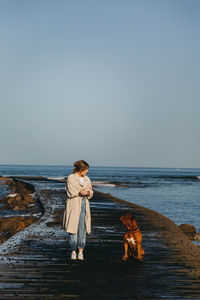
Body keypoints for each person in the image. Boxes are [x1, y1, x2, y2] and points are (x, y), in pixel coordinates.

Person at [63, 160, 93, 260]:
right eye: (86, 169)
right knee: (72, 228)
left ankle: (81, 251)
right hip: (74, 204)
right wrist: (82, 192)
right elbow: (71, 192)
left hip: (84, 204)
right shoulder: (71, 178)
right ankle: (73, 251)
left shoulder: (87, 179)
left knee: (82, 228)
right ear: (81, 170)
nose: (87, 171)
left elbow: (90, 192)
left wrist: (88, 192)